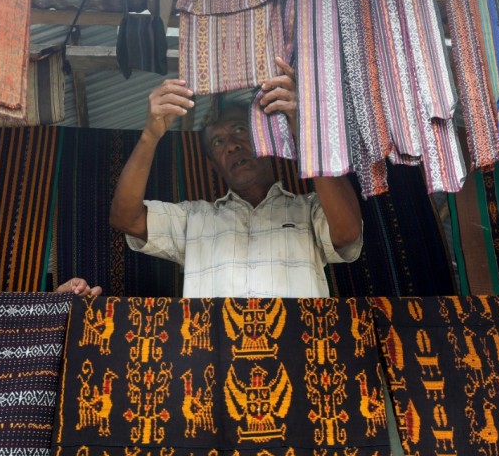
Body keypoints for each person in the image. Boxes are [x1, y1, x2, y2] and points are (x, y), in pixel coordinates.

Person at [110, 57, 362, 298]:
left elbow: (348, 232)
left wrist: (302, 127)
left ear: (266, 139)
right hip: (213, 344)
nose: (231, 145)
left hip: (298, 343)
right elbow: (126, 219)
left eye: (240, 130)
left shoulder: (309, 210)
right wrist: (149, 136)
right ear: (214, 166)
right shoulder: (195, 219)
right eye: (218, 141)